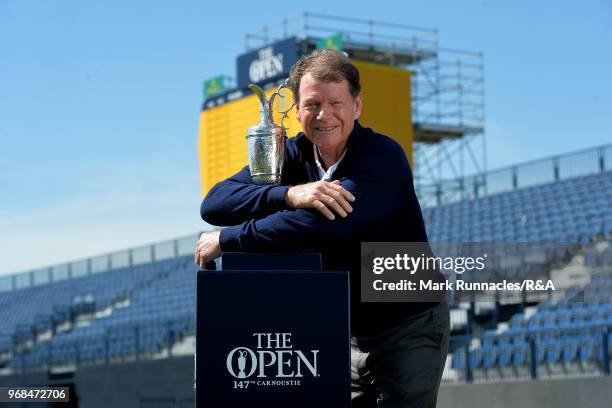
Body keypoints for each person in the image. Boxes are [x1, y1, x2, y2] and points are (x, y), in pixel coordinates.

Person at [195, 49, 449, 407]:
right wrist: (287, 193)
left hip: (408, 323)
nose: (323, 115)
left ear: (357, 105)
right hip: (345, 332)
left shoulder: (383, 157)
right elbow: (215, 202)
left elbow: (318, 226)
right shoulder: (292, 156)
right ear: (296, 110)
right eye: (312, 104)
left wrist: (227, 239)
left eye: (336, 103)